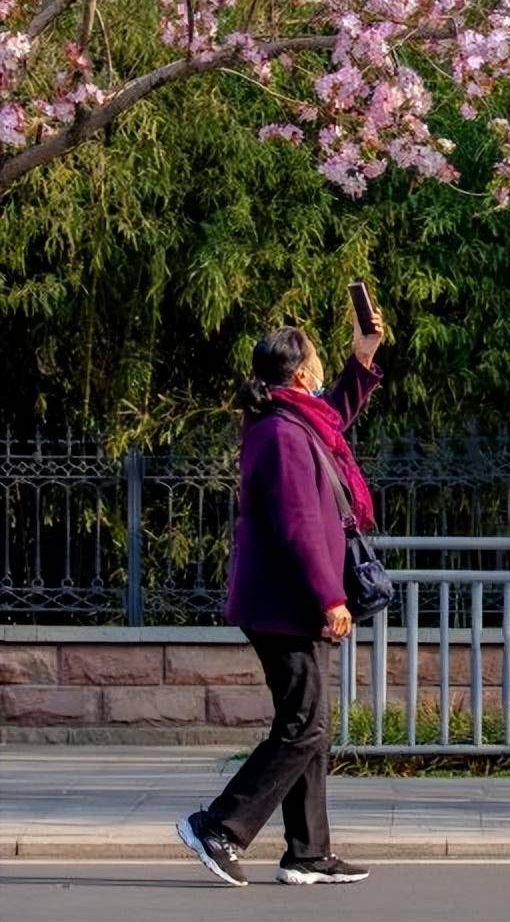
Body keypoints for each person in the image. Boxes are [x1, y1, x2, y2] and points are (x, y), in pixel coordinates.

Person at [176, 302, 384, 887]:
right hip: (285, 606)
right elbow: (298, 523)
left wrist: (361, 358)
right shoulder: (280, 433)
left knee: (309, 724)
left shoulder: (295, 422)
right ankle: (219, 826)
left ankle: (308, 852)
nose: (320, 372)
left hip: (290, 603)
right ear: (298, 375)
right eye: (316, 362)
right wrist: (328, 596)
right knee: (305, 726)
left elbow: (332, 417)